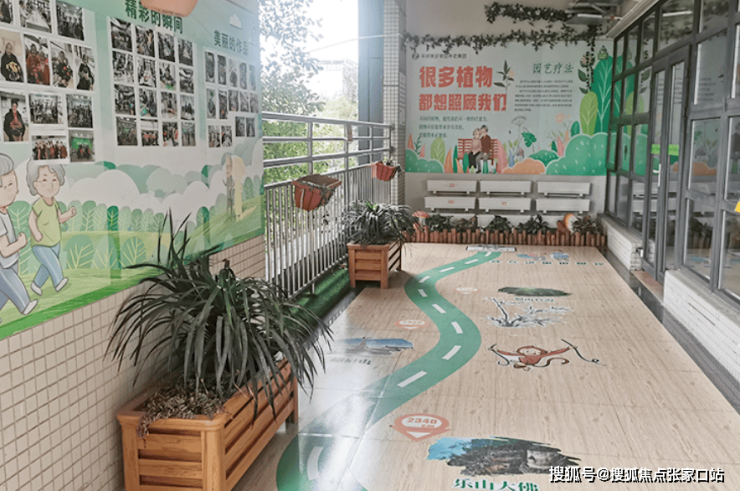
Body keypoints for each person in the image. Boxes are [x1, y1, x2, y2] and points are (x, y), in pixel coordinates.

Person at [26, 161, 76, 296]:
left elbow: (59, 218)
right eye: (44, 180)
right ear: (35, 184)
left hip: (55, 242)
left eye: (54, 179)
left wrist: (69, 214)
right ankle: (59, 282)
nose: (50, 184)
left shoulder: (54, 203)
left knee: (47, 266)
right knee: (52, 263)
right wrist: (36, 233)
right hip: (41, 244)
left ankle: (36, 284)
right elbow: (31, 220)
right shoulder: (39, 204)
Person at [0, 154, 38, 320]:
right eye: (4, 186)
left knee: (4, 292)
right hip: (3, 265)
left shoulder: (4, 211)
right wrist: (20, 243)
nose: (10, 190)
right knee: (12, 283)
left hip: (10, 262)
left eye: (11, 184)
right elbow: (4, 250)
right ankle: (25, 304)